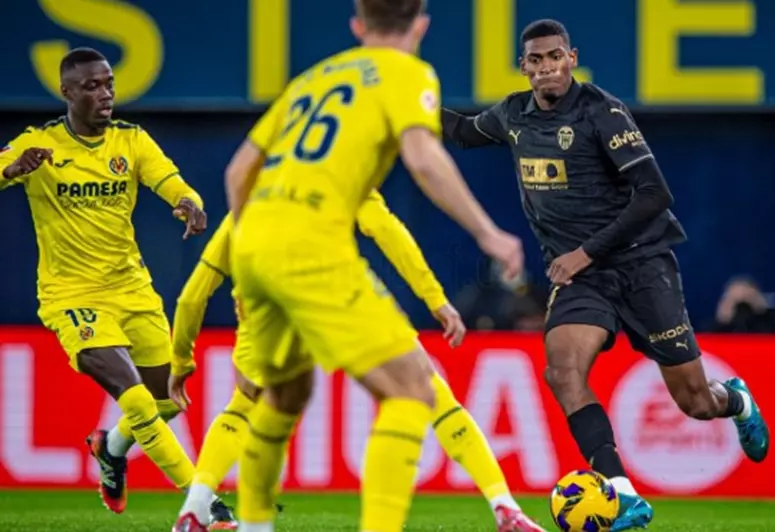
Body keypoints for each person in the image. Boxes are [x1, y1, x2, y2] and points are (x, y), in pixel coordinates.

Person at [440, 19, 769, 531]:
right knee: (562, 371)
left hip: (641, 267)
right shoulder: (512, 114)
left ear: (571, 58)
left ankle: (737, 400)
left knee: (696, 402)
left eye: (555, 56)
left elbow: (655, 195)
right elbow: (461, 132)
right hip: (582, 280)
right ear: (523, 67)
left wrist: (585, 252)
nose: (547, 67)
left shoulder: (602, 112)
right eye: (536, 60)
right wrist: (403, 108)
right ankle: (622, 493)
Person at [222, 1, 526, 531]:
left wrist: (252, 257)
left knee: (286, 394)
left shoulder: (313, 78)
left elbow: (238, 170)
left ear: (358, 26)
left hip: (251, 242)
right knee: (413, 388)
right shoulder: (407, 72)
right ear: (421, 25)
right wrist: (486, 231)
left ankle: (253, 525)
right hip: (312, 244)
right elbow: (424, 159)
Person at [171, 198, 543, 531]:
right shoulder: (335, 169)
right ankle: (504, 508)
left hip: (266, 304)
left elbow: (192, 296)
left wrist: (181, 359)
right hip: (336, 291)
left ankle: (194, 509)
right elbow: (386, 229)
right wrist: (435, 299)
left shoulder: (251, 195)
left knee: (244, 405)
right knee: (428, 389)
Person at [0, 48, 234, 526]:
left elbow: (169, 179)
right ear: (67, 92)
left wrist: (189, 202)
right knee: (137, 399)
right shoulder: (38, 143)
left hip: (132, 289)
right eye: (92, 86)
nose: (105, 94)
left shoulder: (131, 141)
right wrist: (10, 169)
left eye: (108, 83)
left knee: (167, 400)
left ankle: (110, 447)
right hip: (72, 297)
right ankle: (204, 505)